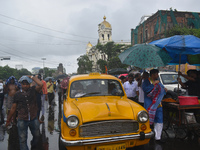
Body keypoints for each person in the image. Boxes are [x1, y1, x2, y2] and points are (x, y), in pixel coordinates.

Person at [6, 75, 43, 150]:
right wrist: (8, 119)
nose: (25, 85)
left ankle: (33, 145)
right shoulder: (17, 94)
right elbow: (13, 107)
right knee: (22, 140)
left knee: (37, 136)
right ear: (21, 84)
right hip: (22, 119)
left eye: (26, 84)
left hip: (33, 118)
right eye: (23, 84)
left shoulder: (33, 90)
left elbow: (41, 84)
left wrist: (32, 77)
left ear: (29, 84)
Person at [142, 69, 167, 143]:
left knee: (159, 120)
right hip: (149, 104)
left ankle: (158, 138)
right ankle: (148, 136)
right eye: (156, 74)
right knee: (148, 120)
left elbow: (162, 90)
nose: (157, 75)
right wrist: (153, 84)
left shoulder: (158, 82)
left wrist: (164, 89)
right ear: (152, 75)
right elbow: (146, 90)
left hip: (158, 104)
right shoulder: (146, 81)